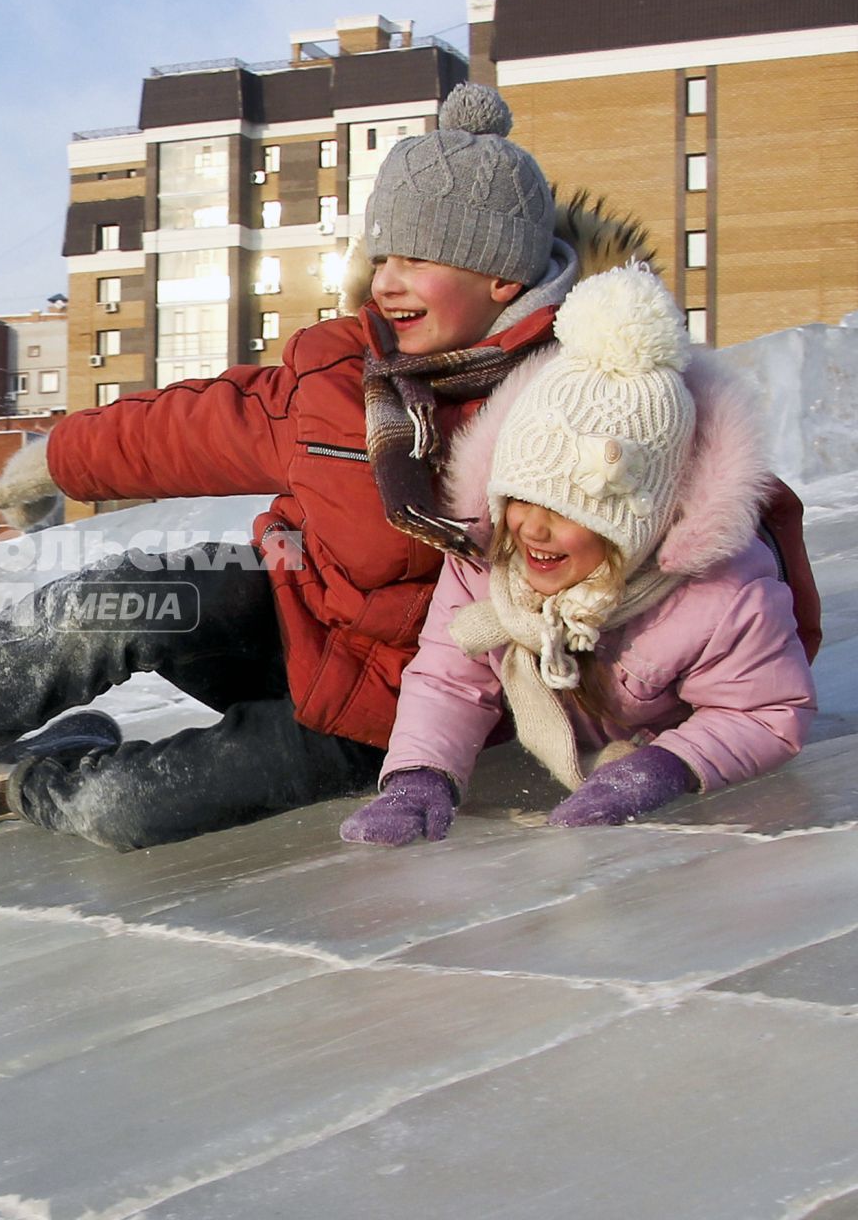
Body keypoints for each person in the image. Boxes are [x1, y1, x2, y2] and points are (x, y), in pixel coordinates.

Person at [0, 83, 641, 851]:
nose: (384, 284)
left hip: (393, 717)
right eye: (380, 258)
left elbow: (710, 539)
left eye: (414, 261)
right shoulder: (342, 371)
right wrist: (60, 458)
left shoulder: (585, 403)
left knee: (124, 811)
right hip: (290, 618)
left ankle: (39, 779)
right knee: (111, 601)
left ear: (500, 274)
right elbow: (200, 425)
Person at [340, 264, 815, 845]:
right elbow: (448, 679)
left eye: (568, 512)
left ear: (633, 525)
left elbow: (763, 713)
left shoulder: (720, 596)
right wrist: (419, 776)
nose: (533, 528)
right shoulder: (486, 562)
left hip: (660, 744)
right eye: (520, 498)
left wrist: (665, 767)